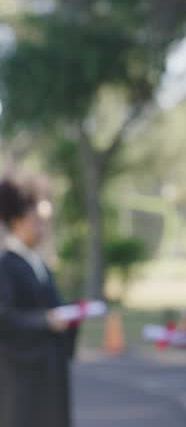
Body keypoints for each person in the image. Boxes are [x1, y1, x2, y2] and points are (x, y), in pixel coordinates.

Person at [0, 176, 77, 427]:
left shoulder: (39, 262)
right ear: (17, 221)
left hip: (49, 368)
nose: (43, 229)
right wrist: (45, 320)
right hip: (21, 373)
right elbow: (5, 316)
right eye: (37, 222)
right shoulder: (6, 265)